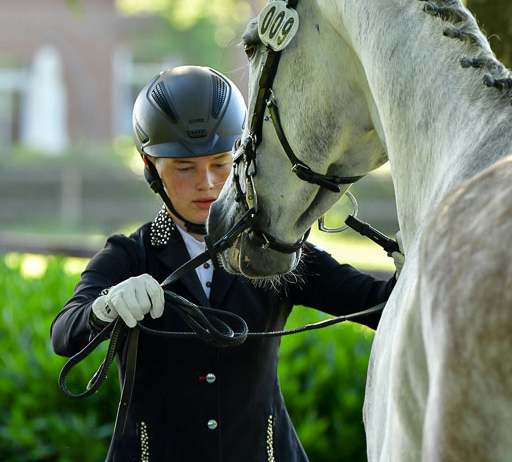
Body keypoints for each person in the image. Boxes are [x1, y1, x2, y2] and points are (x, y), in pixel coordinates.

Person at [51, 65, 401, 462]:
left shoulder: (274, 248)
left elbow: (380, 305)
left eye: (221, 162)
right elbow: (64, 335)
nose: (207, 183)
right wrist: (106, 306)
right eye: (185, 168)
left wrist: (419, 266)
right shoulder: (131, 254)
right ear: (151, 168)